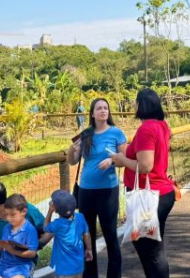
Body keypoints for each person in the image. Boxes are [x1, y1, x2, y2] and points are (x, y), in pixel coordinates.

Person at [109, 89, 176, 278]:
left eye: (136, 102)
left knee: (150, 252)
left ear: (142, 105)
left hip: (149, 195)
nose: (134, 106)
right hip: (161, 192)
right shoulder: (162, 125)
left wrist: (121, 160)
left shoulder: (146, 129)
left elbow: (145, 166)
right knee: (156, 249)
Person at [67, 98, 127, 278]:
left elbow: (124, 159)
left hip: (108, 190)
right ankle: (90, 275)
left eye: (106, 108)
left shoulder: (116, 133)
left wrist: (112, 160)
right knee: (87, 235)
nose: (103, 111)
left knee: (110, 234)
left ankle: (114, 274)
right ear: (92, 113)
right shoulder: (86, 134)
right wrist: (73, 149)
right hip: (86, 190)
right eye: (99, 108)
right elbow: (72, 161)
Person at [0, 194, 39, 278]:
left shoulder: (30, 230)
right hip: (3, 266)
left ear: (23, 212)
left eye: (12, 215)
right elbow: (3, 247)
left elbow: (32, 253)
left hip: (21, 266)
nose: (8, 218)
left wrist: (13, 251)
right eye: (6, 214)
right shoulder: (6, 228)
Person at [44, 190, 92, 278]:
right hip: (78, 267)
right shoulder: (80, 217)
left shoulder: (57, 224)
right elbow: (86, 234)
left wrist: (49, 211)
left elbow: (45, 227)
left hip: (64, 270)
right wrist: (89, 249)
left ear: (55, 209)